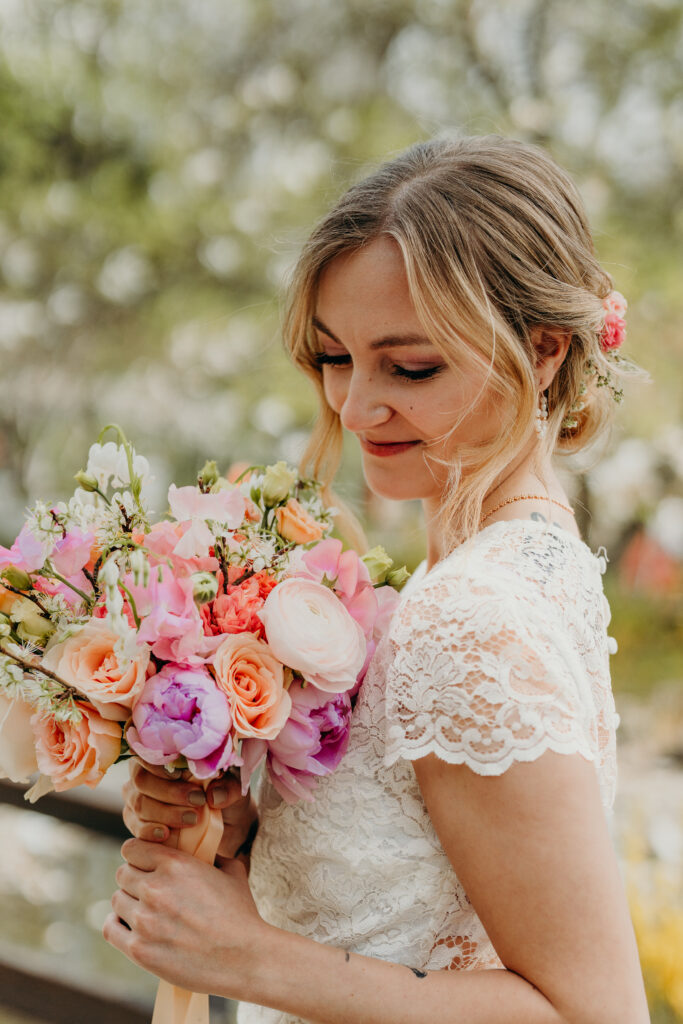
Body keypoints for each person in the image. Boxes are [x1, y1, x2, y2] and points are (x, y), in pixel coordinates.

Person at [104, 135, 650, 1024]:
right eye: (332, 356)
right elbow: (435, 874)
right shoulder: (523, 563)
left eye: (411, 366)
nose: (354, 406)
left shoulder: (470, 611)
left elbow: (592, 1013)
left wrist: (246, 957)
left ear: (545, 352)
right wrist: (248, 829)